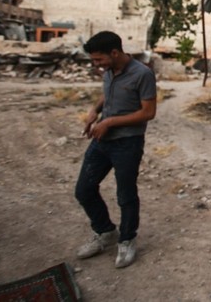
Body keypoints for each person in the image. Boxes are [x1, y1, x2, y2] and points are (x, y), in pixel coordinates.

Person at [74, 31, 157, 269]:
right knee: (84, 190)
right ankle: (105, 231)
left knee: (126, 195)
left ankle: (127, 239)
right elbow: (108, 95)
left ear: (115, 52)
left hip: (127, 143)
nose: (96, 65)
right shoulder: (109, 72)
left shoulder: (143, 74)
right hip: (102, 141)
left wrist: (109, 122)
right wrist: (95, 111)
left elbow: (148, 113)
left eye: (99, 60)